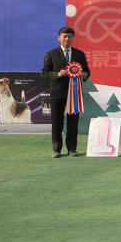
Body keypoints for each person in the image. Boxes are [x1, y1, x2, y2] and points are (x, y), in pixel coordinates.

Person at [41, 26, 91, 158]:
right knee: (57, 122)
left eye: (69, 37)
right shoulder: (51, 54)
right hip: (57, 93)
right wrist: (58, 74)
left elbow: (87, 71)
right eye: (64, 36)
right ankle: (56, 149)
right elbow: (45, 73)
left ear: (73, 38)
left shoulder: (79, 54)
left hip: (74, 94)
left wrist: (84, 75)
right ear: (59, 38)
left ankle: (72, 149)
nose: (67, 39)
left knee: (73, 122)